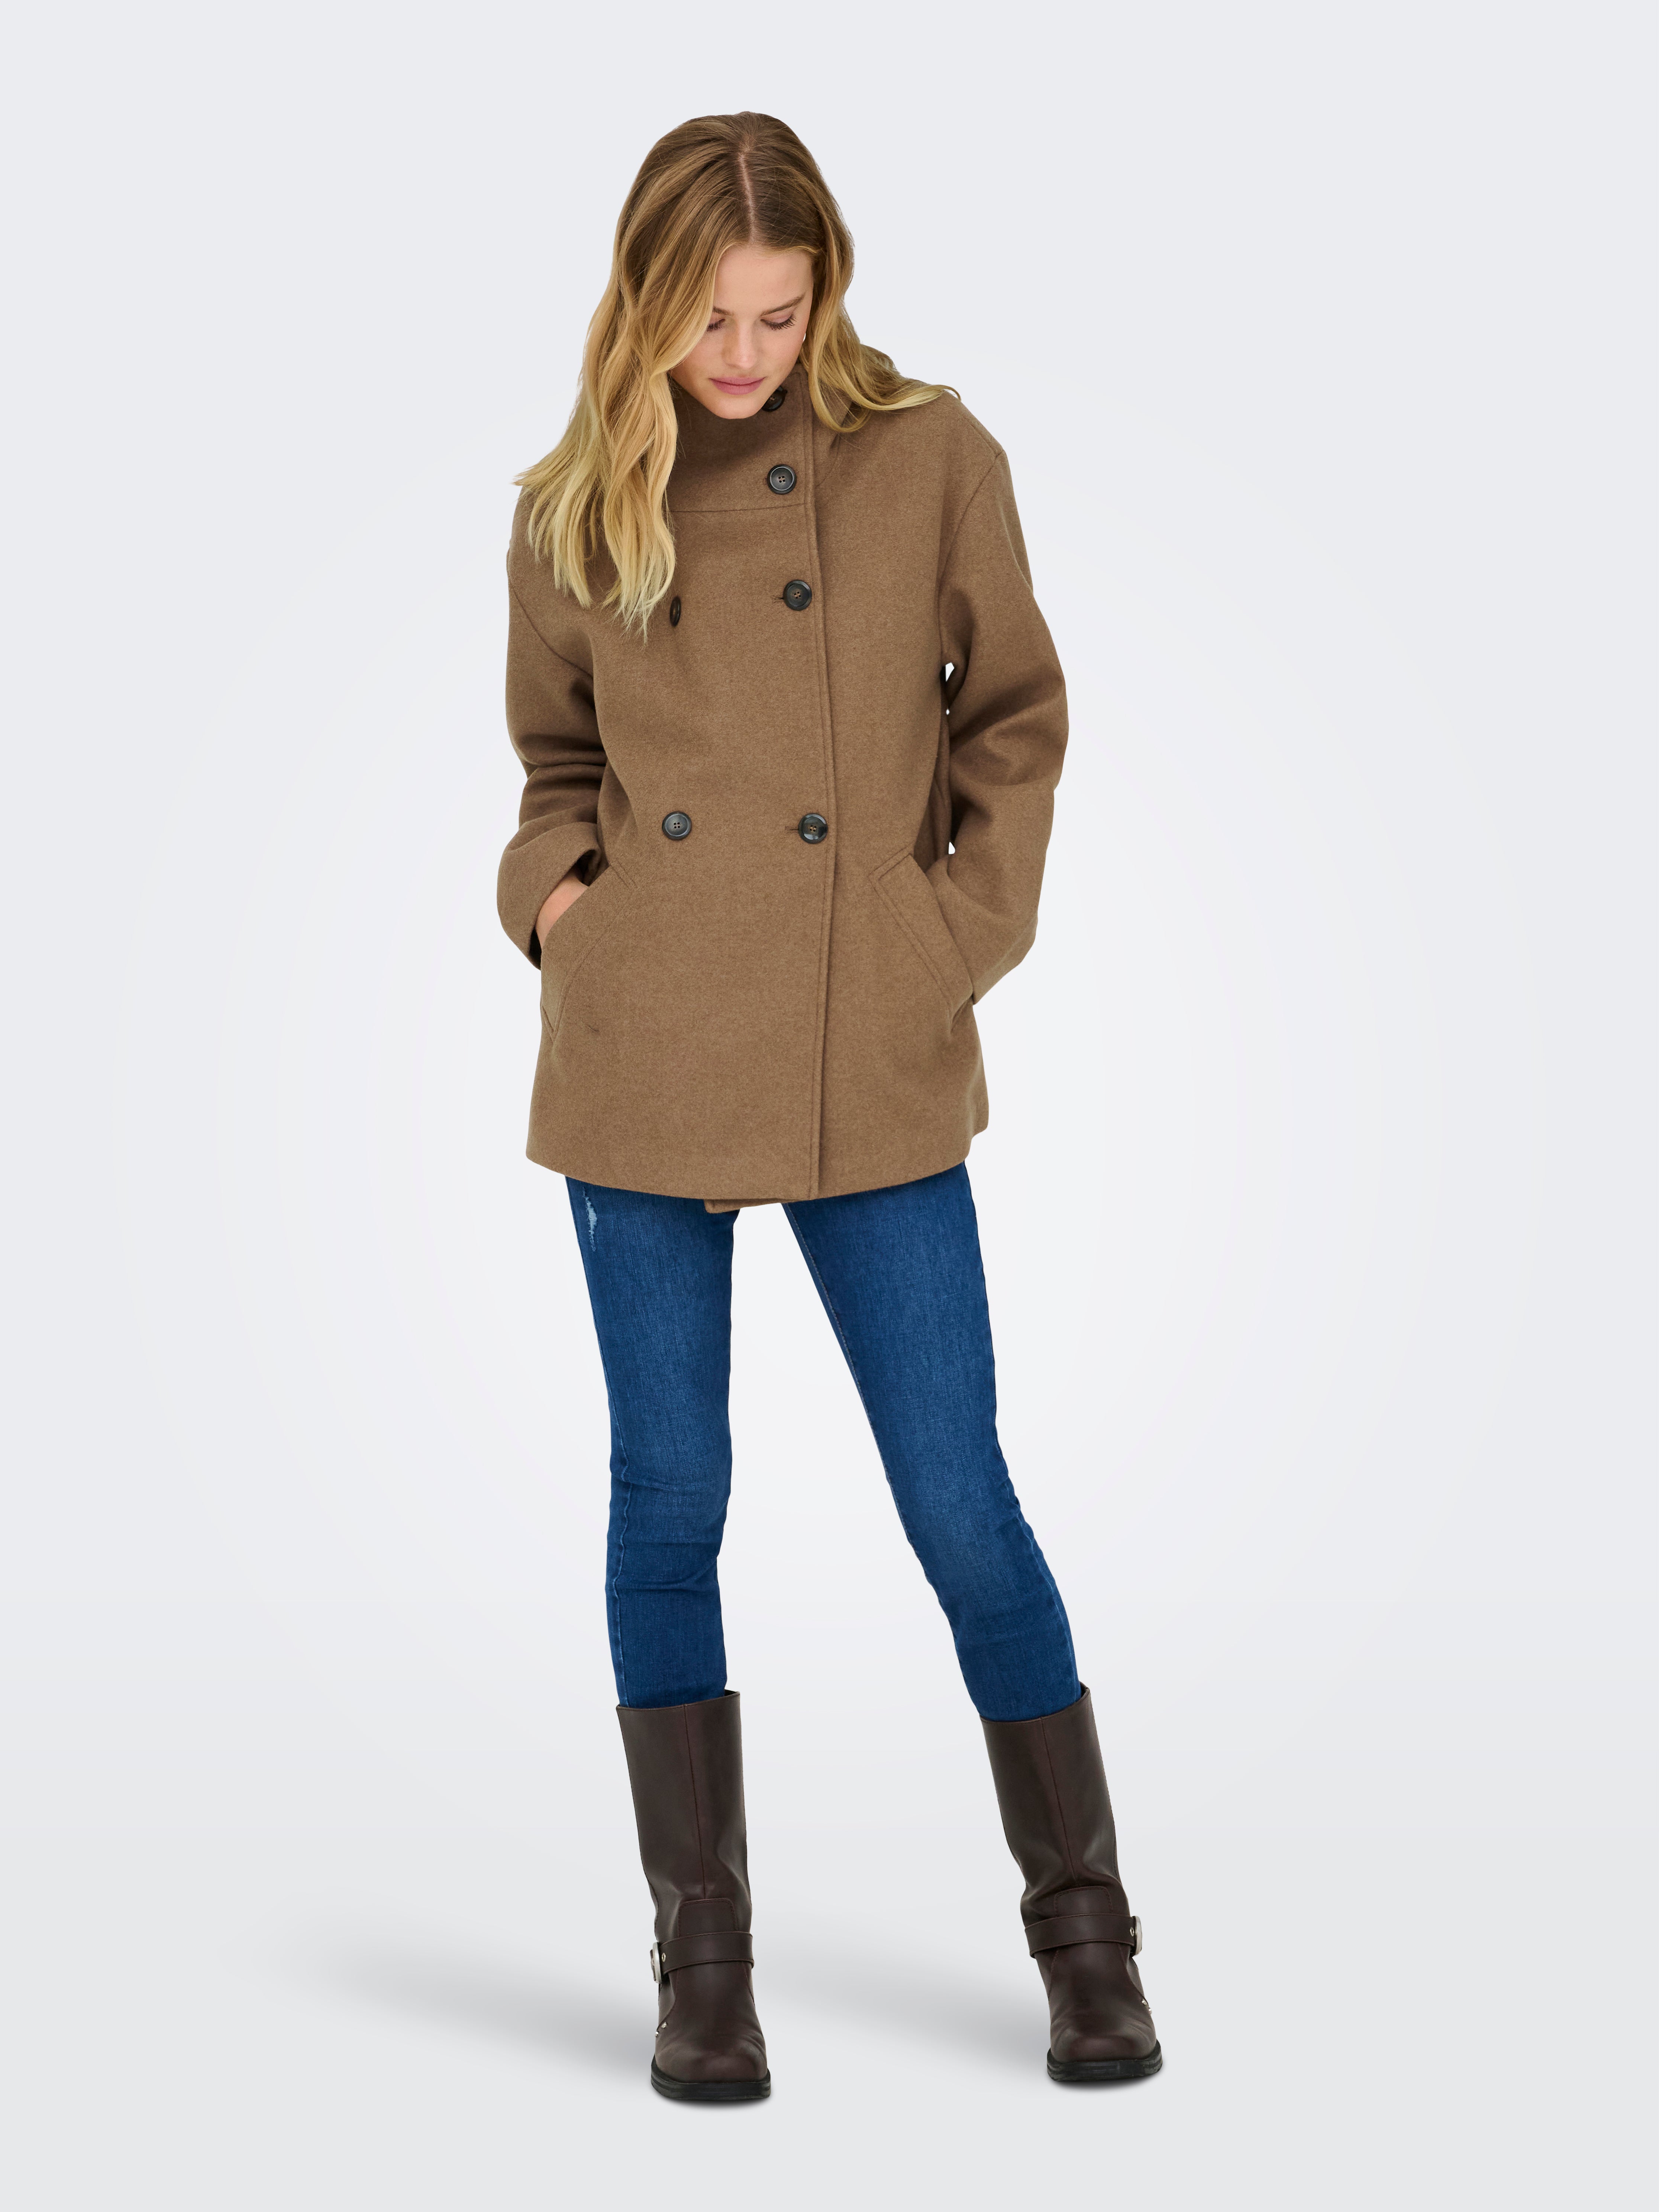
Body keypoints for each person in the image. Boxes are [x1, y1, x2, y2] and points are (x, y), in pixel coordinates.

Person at [497, 111, 1159, 2100]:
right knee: (669, 1499)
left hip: (870, 1042)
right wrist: (563, 909)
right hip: (645, 1051)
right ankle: (701, 1966)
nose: (744, 356)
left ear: (827, 295)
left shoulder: (930, 457)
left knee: (958, 1494)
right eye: (707, 320)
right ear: (642, 303)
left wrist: (947, 938)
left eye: (778, 316)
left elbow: (1015, 724)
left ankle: (1089, 1940)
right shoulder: (571, 505)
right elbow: (551, 772)